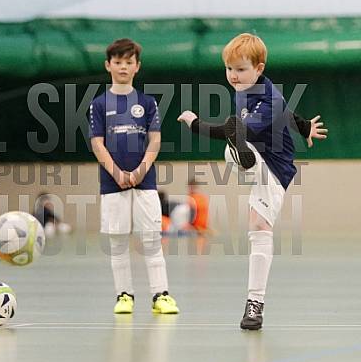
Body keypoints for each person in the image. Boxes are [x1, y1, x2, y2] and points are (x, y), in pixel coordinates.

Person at [178, 33, 327, 330]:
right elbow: (287, 112)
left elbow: (233, 128)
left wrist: (195, 123)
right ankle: (243, 158)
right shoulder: (247, 88)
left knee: (258, 225)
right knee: (234, 151)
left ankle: (255, 304)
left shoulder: (269, 100)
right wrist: (304, 126)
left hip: (275, 170)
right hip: (253, 156)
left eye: (240, 69)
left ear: (259, 68)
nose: (233, 76)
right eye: (229, 69)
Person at [89, 38, 179, 314]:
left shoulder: (147, 103)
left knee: (151, 238)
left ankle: (161, 295)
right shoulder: (99, 104)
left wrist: (140, 171)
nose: (123, 67)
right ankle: (124, 296)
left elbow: (155, 140)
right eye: (118, 62)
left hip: (145, 182)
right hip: (112, 183)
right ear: (108, 65)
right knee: (118, 241)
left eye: (129, 62)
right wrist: (117, 173)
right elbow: (97, 143)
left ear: (137, 66)